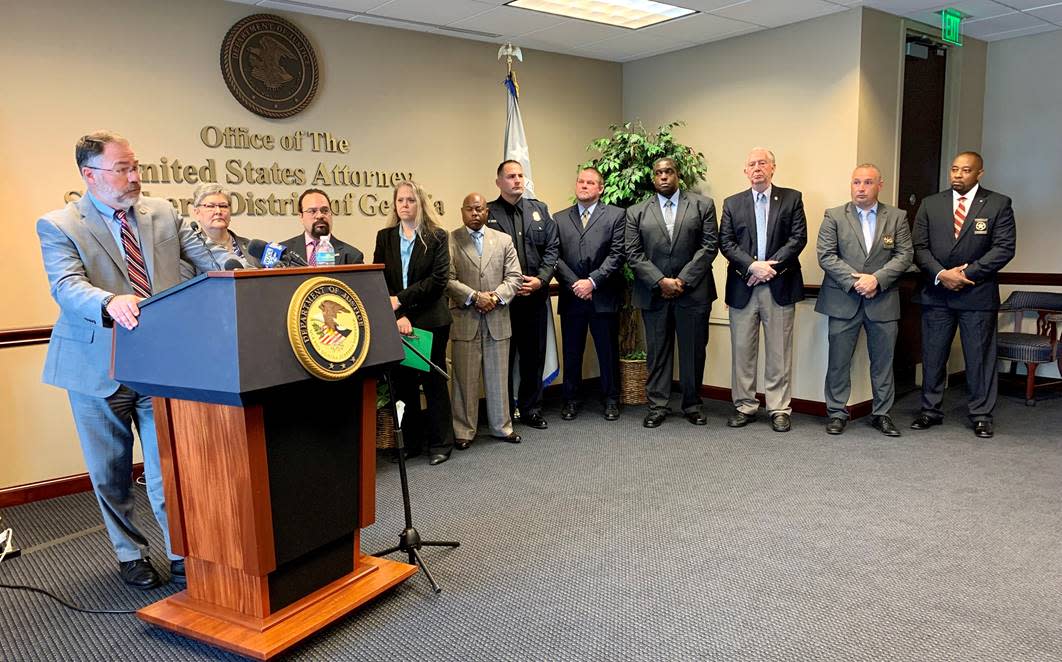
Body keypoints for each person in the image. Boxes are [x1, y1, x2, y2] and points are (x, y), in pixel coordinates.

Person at [35, 131, 235, 589]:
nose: (134, 177)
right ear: (91, 175)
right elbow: (66, 286)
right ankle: (130, 553)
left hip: (160, 364)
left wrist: (245, 273)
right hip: (95, 366)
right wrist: (109, 301)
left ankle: (182, 549)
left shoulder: (162, 212)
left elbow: (212, 260)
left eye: (135, 166)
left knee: (170, 467)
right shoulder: (59, 224)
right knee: (112, 473)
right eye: (122, 169)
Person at [911, 151, 1016, 438]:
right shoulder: (931, 204)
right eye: (954, 169)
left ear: (979, 174)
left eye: (965, 170)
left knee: (979, 356)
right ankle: (930, 410)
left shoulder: (997, 204)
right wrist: (942, 274)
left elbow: (1004, 248)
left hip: (977, 293)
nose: (958, 175)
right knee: (933, 355)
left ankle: (981, 414)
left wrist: (967, 274)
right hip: (936, 292)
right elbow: (919, 247)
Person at [816, 164, 913, 436]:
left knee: (883, 362)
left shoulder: (897, 217)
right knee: (838, 361)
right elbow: (826, 255)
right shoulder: (834, 215)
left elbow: (905, 255)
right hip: (843, 300)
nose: (861, 188)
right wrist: (857, 281)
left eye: (867, 182)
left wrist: (877, 280)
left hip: (882, 301)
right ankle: (836, 412)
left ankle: (882, 413)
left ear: (879, 185)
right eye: (856, 182)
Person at [625, 157, 719, 428]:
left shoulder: (702, 205)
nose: (663, 176)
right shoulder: (636, 211)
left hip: (693, 293)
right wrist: (660, 281)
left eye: (668, 172)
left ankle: (692, 404)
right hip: (653, 294)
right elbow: (633, 252)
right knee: (657, 352)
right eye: (658, 173)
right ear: (653, 178)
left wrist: (682, 280)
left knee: (692, 352)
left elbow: (709, 246)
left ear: (677, 175)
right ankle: (657, 405)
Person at [719, 148, 808, 433]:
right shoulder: (732, 203)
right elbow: (727, 243)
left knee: (779, 352)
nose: (757, 168)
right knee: (743, 351)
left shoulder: (792, 198)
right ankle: (744, 405)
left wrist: (769, 267)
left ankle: (779, 408)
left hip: (779, 284)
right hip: (744, 285)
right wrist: (752, 267)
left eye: (762, 163)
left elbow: (798, 238)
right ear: (745, 171)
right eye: (751, 164)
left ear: (773, 168)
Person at [373, 181, 455, 466]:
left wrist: (401, 302)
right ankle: (410, 443)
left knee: (433, 383)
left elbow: (437, 281)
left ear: (420, 204)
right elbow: (379, 280)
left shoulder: (437, 237)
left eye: (410, 200)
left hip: (431, 319)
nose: (405, 204)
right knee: (403, 383)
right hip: (397, 321)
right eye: (400, 200)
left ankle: (441, 443)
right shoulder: (385, 238)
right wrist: (398, 316)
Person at [487, 160, 559, 430]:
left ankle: (531, 409)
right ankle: (502, 413)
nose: (517, 180)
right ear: (499, 182)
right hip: (503, 302)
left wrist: (541, 280)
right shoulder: (489, 213)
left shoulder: (539, 210)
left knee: (533, 357)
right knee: (502, 360)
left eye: (520, 175)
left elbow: (553, 249)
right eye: (510, 176)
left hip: (534, 298)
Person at [447, 193, 523, 448]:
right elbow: (447, 279)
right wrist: (474, 297)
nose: (475, 213)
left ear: (487, 212)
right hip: (464, 318)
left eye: (480, 209)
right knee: (464, 381)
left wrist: (495, 297)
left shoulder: (503, 240)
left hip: (497, 318)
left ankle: (502, 427)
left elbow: (514, 277)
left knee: (499, 377)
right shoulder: (451, 240)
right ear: (462, 212)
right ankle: (464, 431)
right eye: (470, 209)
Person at [553, 166, 625, 421]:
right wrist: (576, 284)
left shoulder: (616, 216)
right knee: (572, 352)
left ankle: (611, 399)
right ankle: (571, 400)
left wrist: (592, 282)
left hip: (602, 296)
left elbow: (617, 255)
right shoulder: (559, 218)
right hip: (573, 298)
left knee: (607, 352)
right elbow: (555, 257)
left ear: (600, 188)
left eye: (590, 182)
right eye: (580, 181)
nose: (584, 186)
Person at [281, 188, 364, 265]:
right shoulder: (283, 252)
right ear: (301, 216)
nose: (320, 215)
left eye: (325, 210)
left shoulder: (352, 256)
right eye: (312, 211)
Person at [189, 183, 260, 267]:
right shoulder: (192, 251)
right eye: (211, 206)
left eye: (223, 206)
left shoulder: (250, 247)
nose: (218, 211)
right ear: (197, 212)